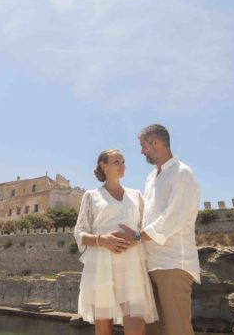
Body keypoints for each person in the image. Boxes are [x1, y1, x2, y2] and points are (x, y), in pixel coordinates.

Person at [115, 124, 201, 335]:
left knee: (177, 329)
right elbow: (147, 216)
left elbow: (173, 219)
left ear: (156, 143)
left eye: (143, 146)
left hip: (173, 264)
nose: (142, 151)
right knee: (153, 329)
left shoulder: (182, 174)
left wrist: (135, 237)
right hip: (150, 263)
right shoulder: (151, 178)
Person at [74, 149, 158, 335]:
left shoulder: (136, 195)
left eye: (123, 161)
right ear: (103, 166)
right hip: (101, 262)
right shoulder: (91, 196)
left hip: (132, 261)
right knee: (103, 325)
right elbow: (79, 233)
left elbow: (146, 227)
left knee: (136, 319)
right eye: (117, 161)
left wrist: (136, 238)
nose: (122, 165)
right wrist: (102, 240)